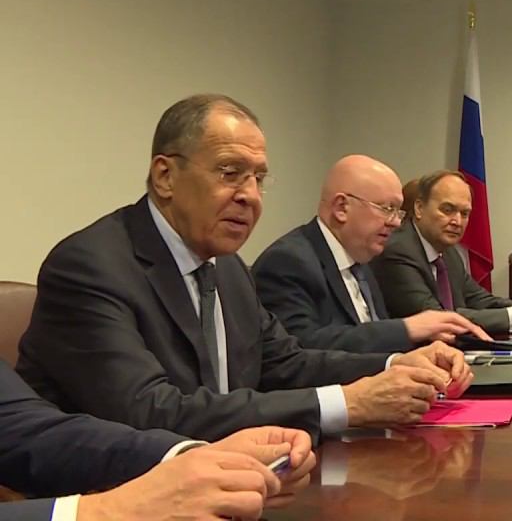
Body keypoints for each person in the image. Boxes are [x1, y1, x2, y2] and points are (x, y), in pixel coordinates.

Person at [17, 95, 474, 442]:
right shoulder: (90, 268)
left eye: (258, 178)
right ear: (165, 176)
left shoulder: (228, 267)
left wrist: (396, 363)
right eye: (229, 172)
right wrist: (346, 404)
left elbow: (286, 363)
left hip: (237, 474)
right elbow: (150, 412)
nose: (250, 196)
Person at [1, 359, 315, 520]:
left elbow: (24, 427)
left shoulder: (232, 276)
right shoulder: (89, 265)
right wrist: (103, 512)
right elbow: (144, 404)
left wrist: (194, 457)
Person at [253, 155, 489, 353]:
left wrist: (422, 355)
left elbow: (375, 340)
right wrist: (407, 329)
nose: (396, 222)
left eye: (398, 212)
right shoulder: (288, 262)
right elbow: (301, 349)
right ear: (341, 207)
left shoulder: (363, 262)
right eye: (387, 209)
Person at [374, 171, 512, 335]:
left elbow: (479, 299)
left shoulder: (448, 253)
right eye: (447, 210)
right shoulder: (398, 250)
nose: (457, 221)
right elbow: (436, 319)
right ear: (419, 208)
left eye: (464, 213)